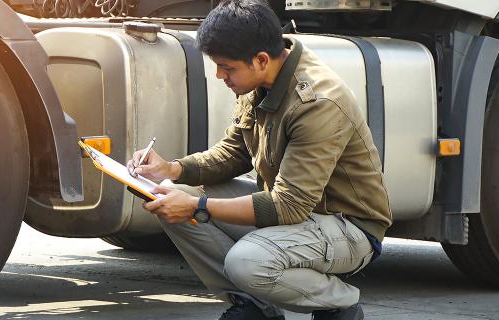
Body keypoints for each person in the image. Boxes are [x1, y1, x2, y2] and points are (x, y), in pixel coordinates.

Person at [126, 1, 392, 319]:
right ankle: (256, 307)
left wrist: (197, 207)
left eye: (227, 67)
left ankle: (339, 303)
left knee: (246, 260)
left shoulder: (317, 102)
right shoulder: (260, 81)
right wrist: (171, 168)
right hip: (299, 216)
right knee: (167, 198)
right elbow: (233, 153)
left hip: (348, 228)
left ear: (261, 59)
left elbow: (288, 207)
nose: (219, 75)